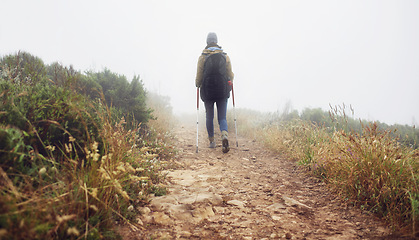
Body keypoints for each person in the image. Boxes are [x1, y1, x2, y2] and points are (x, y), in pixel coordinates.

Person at [195, 32, 234, 153]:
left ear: (207, 41)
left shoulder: (203, 57)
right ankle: (224, 134)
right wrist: (230, 82)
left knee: (209, 116)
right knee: (222, 117)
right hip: (222, 90)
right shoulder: (225, 56)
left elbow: (199, 75)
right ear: (216, 41)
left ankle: (212, 141)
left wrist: (197, 84)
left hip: (208, 91)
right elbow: (230, 74)